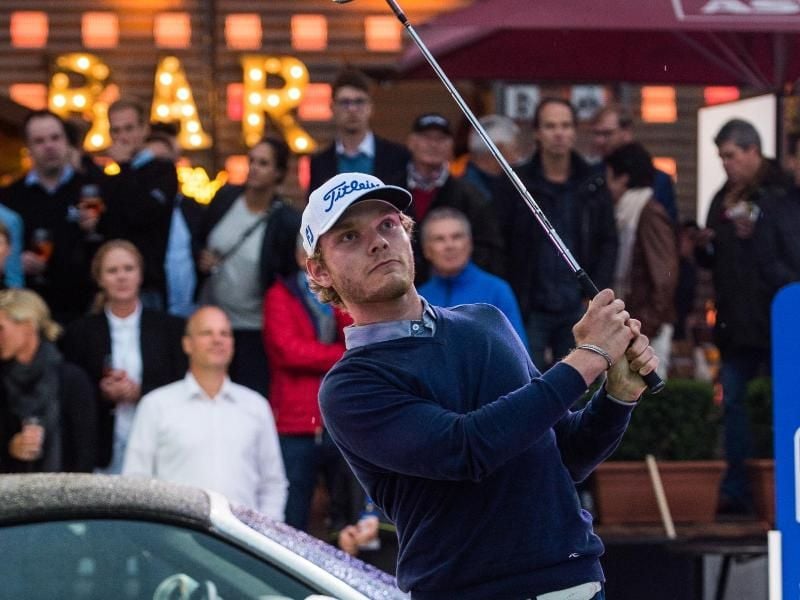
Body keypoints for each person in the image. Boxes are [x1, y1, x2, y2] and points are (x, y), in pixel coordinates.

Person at [301, 171, 657, 599]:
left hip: (573, 582)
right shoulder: (349, 387)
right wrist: (589, 357)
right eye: (348, 238)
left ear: (407, 231)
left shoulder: (485, 322)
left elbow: (564, 455)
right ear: (319, 271)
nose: (377, 242)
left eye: (387, 224)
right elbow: (466, 449)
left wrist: (617, 397)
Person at [695, 118, 791, 516]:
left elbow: (783, 252)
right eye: (721, 157)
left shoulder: (781, 191)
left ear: (753, 151)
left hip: (775, 320)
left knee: (774, 404)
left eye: (731, 156)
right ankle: (738, 488)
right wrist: (705, 246)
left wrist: (756, 235)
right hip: (736, 322)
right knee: (733, 404)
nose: (726, 164)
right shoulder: (724, 196)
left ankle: (779, 486)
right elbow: (716, 258)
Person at [123, 306, 288, 521]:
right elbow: (136, 482)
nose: (217, 340)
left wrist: (267, 534)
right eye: (206, 333)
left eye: (224, 333)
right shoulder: (156, 405)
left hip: (244, 544)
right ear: (187, 344)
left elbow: (273, 483)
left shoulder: (255, 406)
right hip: (175, 541)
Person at [498, 98, 618, 370]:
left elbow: (608, 241)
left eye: (565, 125)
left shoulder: (593, 182)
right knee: (528, 381)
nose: (559, 133)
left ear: (575, 131)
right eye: (550, 126)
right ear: (538, 133)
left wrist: (596, 292)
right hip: (530, 303)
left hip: (578, 305)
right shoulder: (517, 182)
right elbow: (502, 239)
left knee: (578, 384)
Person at [61, 240, 186, 474]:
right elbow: (71, 390)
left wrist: (140, 392)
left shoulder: (170, 328)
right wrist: (102, 391)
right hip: (102, 448)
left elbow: (181, 385)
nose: (122, 277)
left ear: (140, 275)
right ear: (99, 279)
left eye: (129, 269)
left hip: (160, 446)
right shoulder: (80, 332)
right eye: (112, 271)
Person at [194, 137, 300, 397]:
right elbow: (199, 238)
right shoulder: (225, 197)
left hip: (255, 327)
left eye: (263, 163)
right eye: (251, 160)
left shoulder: (285, 220)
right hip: (214, 318)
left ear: (278, 172)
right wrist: (202, 257)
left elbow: (288, 276)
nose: (254, 168)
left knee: (248, 397)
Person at [262, 237, 352, 532]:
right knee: (294, 515)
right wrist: (342, 355)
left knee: (347, 513)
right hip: (296, 422)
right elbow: (289, 351)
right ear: (302, 259)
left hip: (337, 419)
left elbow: (356, 333)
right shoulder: (279, 295)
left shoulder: (337, 294)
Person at [0, 110, 98, 323]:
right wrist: (16, 260)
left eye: (55, 138)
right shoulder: (9, 197)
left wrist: (95, 229)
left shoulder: (91, 189)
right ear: (29, 148)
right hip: (27, 314)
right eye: (40, 141)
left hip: (83, 310)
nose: (49, 146)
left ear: (66, 141)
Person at [385, 112, 504, 282]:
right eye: (426, 137)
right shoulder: (389, 191)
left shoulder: (470, 195)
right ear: (411, 142)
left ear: (451, 146)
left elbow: (489, 249)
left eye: (441, 139)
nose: (433, 144)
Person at [0, 289, 96, 473]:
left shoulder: (71, 380)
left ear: (28, 326)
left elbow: (85, 452)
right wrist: (10, 447)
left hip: (65, 496)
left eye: (1, 328)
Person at [605, 143, 678, 379]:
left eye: (609, 178)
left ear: (623, 179)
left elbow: (665, 276)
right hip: (634, 325)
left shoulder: (648, 214)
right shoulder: (630, 214)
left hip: (645, 330)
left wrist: (646, 325)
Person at [100, 99, 178, 310]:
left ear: (144, 130)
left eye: (129, 128)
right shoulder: (110, 178)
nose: (122, 137)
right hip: (110, 284)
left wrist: (125, 166)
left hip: (148, 283)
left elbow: (141, 213)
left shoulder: (163, 171)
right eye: (116, 131)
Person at [418, 206, 528, 346]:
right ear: (427, 250)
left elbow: (519, 354)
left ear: (470, 244)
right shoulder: (419, 299)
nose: (449, 245)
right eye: (439, 239)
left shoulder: (497, 291)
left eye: (456, 236)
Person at [309, 67, 409, 193]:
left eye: (359, 102)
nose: (352, 109)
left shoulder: (397, 156)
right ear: (332, 108)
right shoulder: (320, 162)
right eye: (345, 102)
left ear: (370, 107)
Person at [590, 105, 679, 223]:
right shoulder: (589, 176)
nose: (600, 141)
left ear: (626, 132)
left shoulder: (658, 179)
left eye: (607, 133)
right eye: (596, 134)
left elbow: (667, 225)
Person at [460, 114, 524, 201]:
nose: (519, 156)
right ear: (498, 150)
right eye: (515, 149)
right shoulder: (467, 192)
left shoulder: (507, 183)